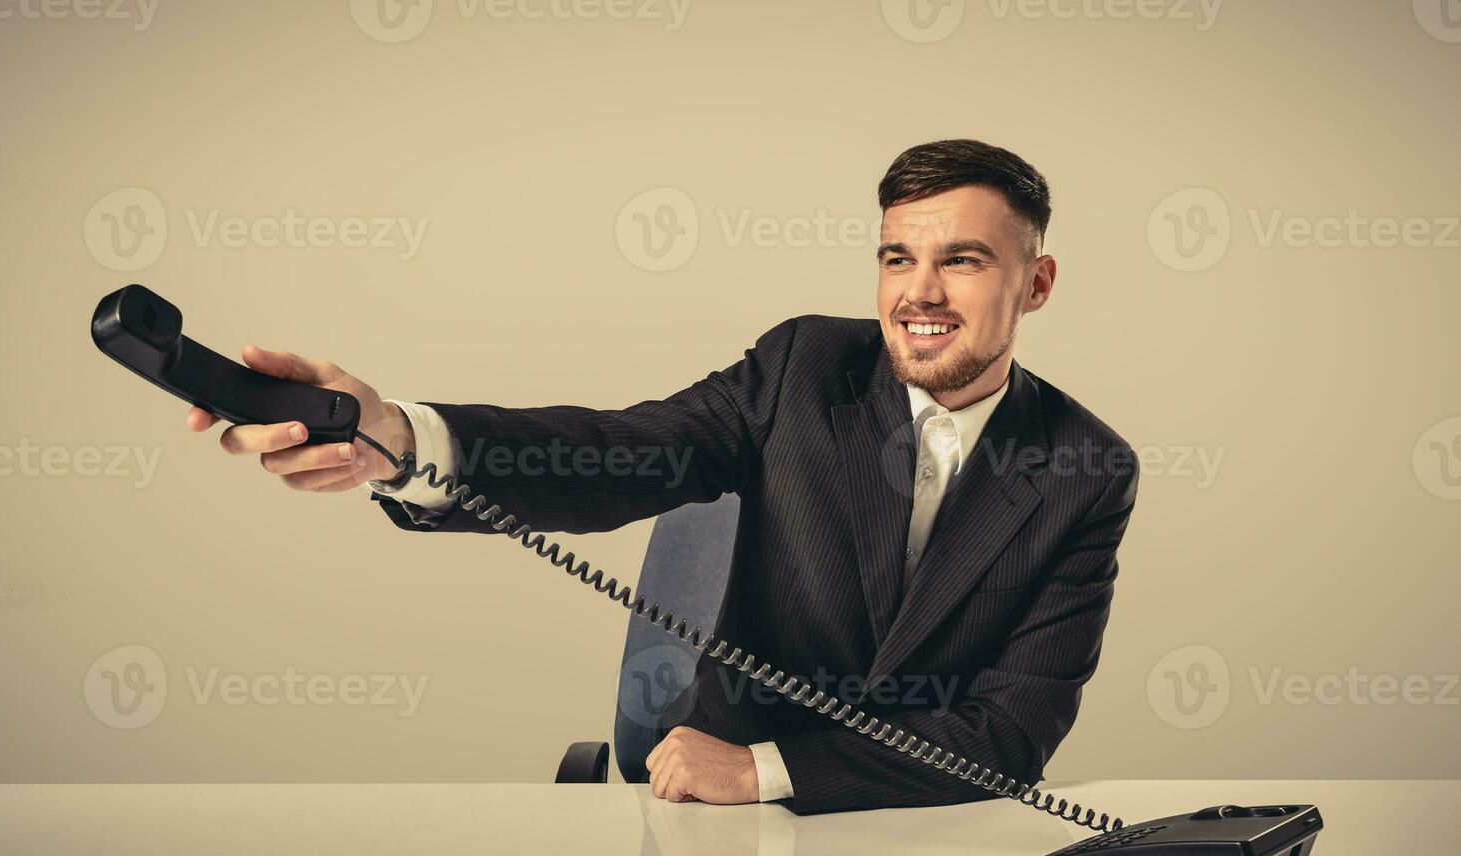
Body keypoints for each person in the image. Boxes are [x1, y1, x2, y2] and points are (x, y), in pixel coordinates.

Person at [188, 139, 1139, 815]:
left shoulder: (1086, 470)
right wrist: (394, 435)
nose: (918, 294)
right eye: (898, 258)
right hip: (717, 843)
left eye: (961, 262)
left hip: (930, 839)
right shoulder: (805, 367)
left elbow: (1009, 737)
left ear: (1036, 283)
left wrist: (765, 769)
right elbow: (618, 450)